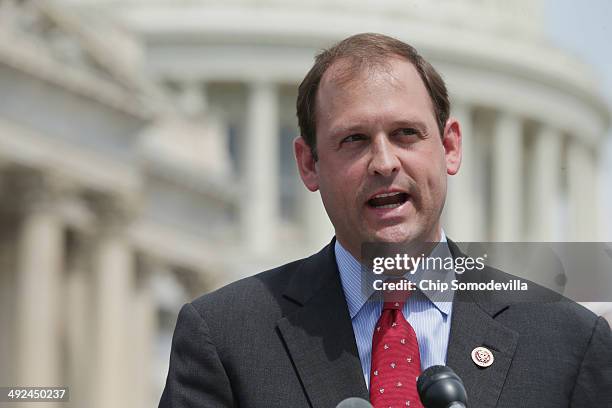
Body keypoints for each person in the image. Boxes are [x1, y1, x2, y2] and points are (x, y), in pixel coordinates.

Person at [159, 33, 612, 408]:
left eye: (406, 134)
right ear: (308, 164)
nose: (384, 162)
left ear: (450, 147)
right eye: (354, 139)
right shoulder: (226, 337)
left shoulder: (567, 343)